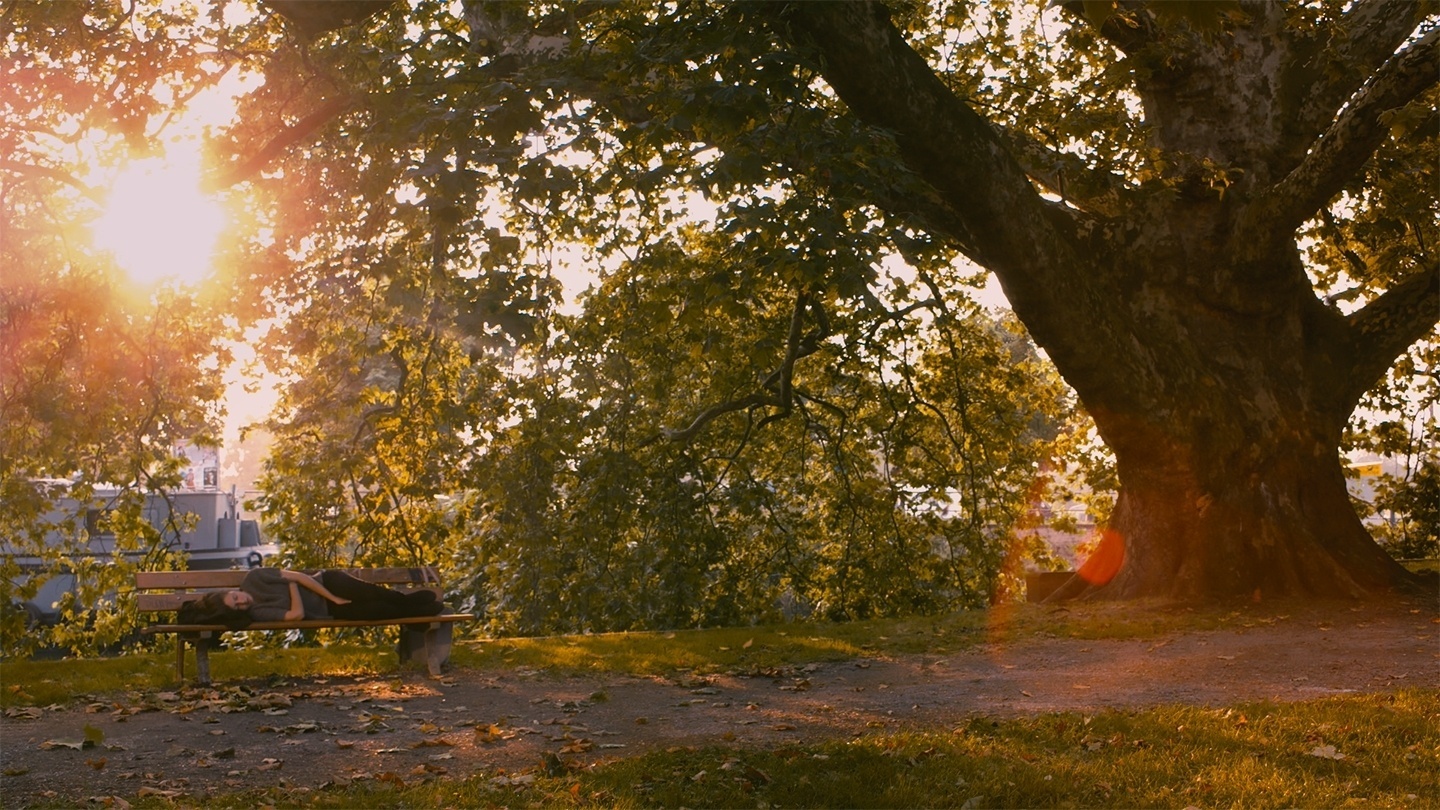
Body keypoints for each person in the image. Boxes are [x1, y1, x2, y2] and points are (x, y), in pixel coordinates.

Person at [178, 568, 444, 628]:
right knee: (377, 611)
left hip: (326, 583)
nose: (241, 601)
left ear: (232, 591)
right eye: (237, 606)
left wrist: (331, 596)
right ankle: (418, 616)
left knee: (375, 594)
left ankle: (412, 604)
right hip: (327, 611)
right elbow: (297, 615)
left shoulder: (254, 578)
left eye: (235, 597)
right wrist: (292, 586)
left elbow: (301, 576)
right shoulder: (256, 613)